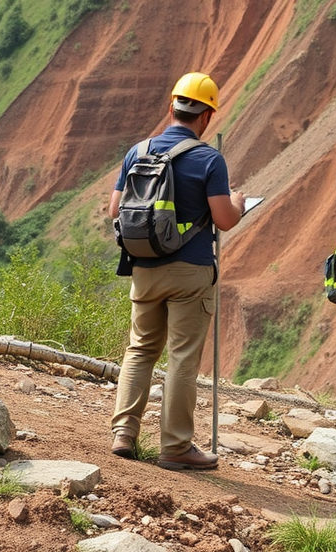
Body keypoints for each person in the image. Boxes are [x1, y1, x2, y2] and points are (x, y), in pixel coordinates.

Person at [107, 72, 245, 470]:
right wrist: (236, 200)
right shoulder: (208, 159)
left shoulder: (138, 151)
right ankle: (176, 447)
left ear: (172, 108)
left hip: (143, 268)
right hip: (190, 272)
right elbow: (224, 219)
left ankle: (123, 434)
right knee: (182, 357)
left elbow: (115, 211)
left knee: (140, 350)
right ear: (206, 117)